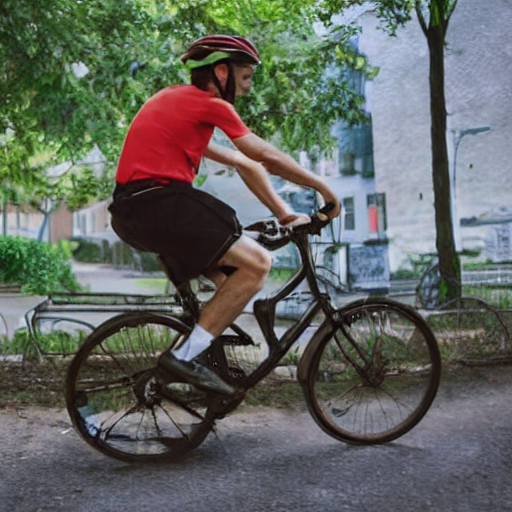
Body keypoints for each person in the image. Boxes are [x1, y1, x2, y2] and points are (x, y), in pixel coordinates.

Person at [108, 35, 341, 395]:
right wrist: (324, 189)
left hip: (135, 211)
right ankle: (186, 357)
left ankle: (202, 364)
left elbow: (242, 161)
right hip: (159, 203)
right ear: (221, 72)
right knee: (258, 264)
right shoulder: (207, 103)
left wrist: (283, 212)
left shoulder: (178, 104)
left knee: (234, 277)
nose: (246, 89)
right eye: (245, 77)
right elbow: (264, 154)